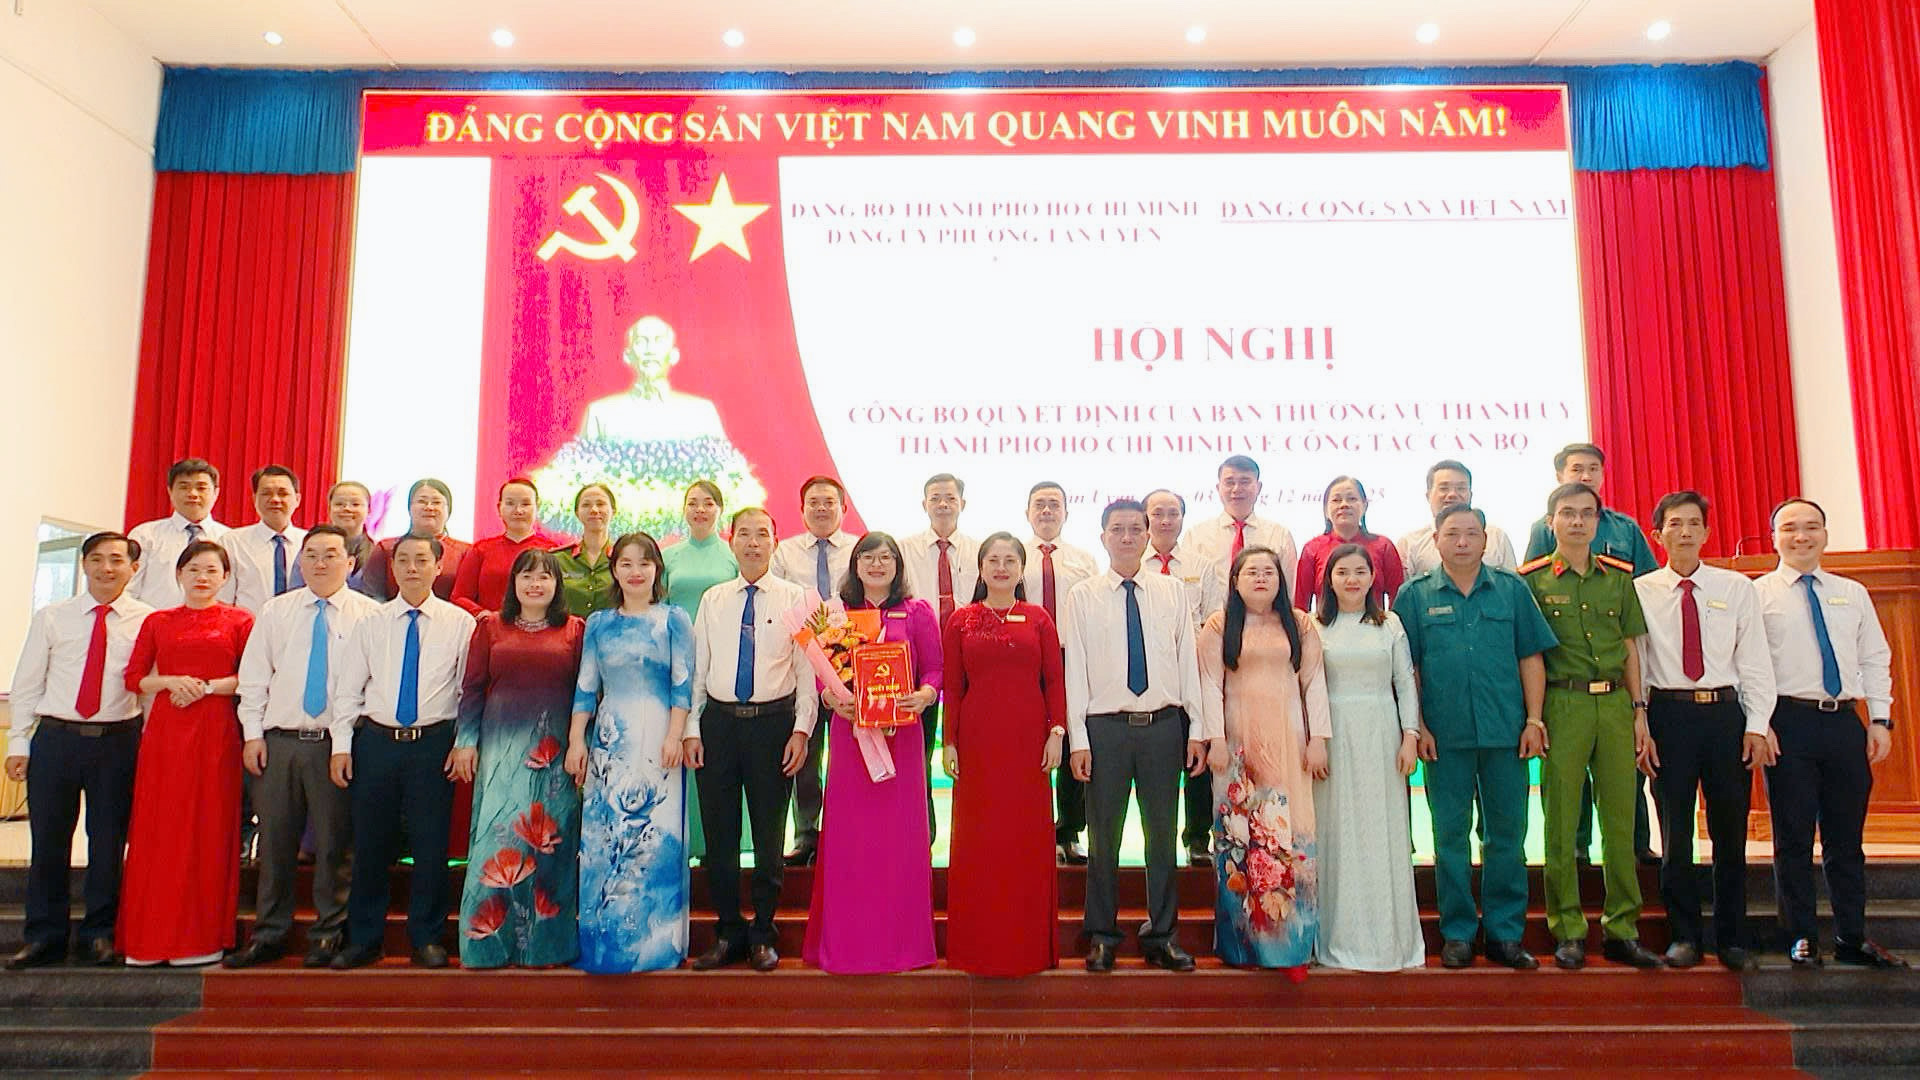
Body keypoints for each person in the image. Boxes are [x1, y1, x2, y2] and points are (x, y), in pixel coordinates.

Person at [1392, 504, 1555, 970]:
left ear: (1486, 540)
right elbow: (1407, 668)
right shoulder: (1414, 595)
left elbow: (1530, 657)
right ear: (1436, 541)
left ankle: (1505, 934)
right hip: (1444, 738)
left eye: (1471, 533)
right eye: (1452, 534)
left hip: (1506, 732)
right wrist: (1418, 725)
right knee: (1449, 837)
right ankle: (1458, 933)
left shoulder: (1512, 589)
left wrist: (1534, 720)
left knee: (1507, 835)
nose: (1462, 542)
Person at [1756, 498, 1907, 968]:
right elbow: (1749, 667)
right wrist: (1759, 723)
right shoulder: (1756, 595)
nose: (1801, 536)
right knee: (1793, 838)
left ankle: (1851, 937)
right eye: (1790, 528)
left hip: (1844, 722)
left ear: (1825, 534)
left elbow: (1874, 657)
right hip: (1788, 723)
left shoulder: (1852, 592)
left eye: (1811, 527)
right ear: (1774, 537)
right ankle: (1801, 936)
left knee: (1846, 839)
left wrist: (1879, 719)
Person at [1521, 482, 1662, 969]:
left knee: (1620, 821)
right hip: (1564, 704)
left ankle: (1623, 928)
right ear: (1551, 523)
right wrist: (1535, 716)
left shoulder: (1618, 578)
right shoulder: (1533, 581)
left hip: (1616, 705)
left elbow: (1629, 647)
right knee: (1561, 821)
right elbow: (1530, 654)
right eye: (1568, 513)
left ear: (1598, 522)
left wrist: (1639, 710)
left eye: (1586, 513)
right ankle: (1568, 929)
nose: (1577, 521)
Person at [226, 525, 380, 970]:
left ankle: (328, 933)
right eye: (310, 555)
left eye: (330, 554)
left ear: (350, 562)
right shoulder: (276, 611)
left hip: (339, 745)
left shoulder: (371, 615)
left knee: (334, 845)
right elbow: (254, 678)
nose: (319, 563)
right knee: (275, 843)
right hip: (279, 743)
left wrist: (347, 742)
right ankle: (269, 933)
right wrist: (252, 735)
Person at [1634, 491, 1777, 971]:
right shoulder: (1640, 591)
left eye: (1694, 523)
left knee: (1729, 832)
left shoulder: (1736, 588)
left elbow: (1753, 659)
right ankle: (1684, 936)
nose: (1686, 532)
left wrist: (1757, 725)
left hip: (1725, 716)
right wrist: (1641, 723)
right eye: (1675, 524)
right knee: (1675, 834)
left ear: (1707, 532)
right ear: (1658, 535)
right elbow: (1637, 662)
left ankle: (1732, 938)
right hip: (1668, 716)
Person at [1065, 498, 1203, 973]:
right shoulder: (1082, 595)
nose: (1127, 537)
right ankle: (1102, 935)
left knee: (1161, 836)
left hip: (1162, 726)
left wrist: (1196, 729)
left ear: (1148, 535)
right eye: (1117, 529)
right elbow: (1075, 670)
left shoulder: (1172, 592)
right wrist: (1079, 739)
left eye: (1135, 529)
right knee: (1103, 837)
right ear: (1102, 537)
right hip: (1106, 730)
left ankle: (1162, 935)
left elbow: (1187, 662)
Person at [5, 532, 154, 970]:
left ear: (134, 568)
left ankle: (99, 935)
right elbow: (28, 682)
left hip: (118, 741)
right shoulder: (53, 616)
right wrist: (19, 742)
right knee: (48, 841)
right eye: (97, 559)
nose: (107, 568)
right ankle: (44, 937)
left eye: (117, 560)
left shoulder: (148, 620)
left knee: (108, 842)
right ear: (83, 564)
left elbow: (149, 690)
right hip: (57, 739)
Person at [329, 533, 477, 969]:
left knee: (431, 846)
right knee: (371, 843)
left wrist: (464, 742)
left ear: (438, 567)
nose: (412, 568)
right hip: (377, 743)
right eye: (403, 561)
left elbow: (467, 691)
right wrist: (341, 746)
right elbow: (348, 690)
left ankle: (427, 937)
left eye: (421, 560)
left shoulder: (460, 624)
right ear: (392, 568)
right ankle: (364, 939)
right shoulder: (370, 622)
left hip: (433, 745)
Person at [685, 508, 818, 972]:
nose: (754, 543)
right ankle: (727, 931)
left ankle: (763, 932)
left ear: (775, 542)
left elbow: (808, 673)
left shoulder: (797, 599)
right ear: (732, 541)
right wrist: (692, 728)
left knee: (768, 834)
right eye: (745, 534)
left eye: (763, 534)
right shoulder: (713, 599)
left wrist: (802, 730)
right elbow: (698, 670)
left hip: (773, 726)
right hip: (719, 726)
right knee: (719, 835)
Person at [803, 532, 941, 973]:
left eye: (885, 558)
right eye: (868, 557)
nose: (877, 565)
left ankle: (903, 945)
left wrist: (925, 694)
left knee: (900, 841)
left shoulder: (917, 612)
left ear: (898, 565)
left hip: (902, 739)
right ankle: (849, 943)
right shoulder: (835, 614)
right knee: (852, 841)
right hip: (852, 738)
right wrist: (831, 697)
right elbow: (822, 673)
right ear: (855, 565)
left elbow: (935, 669)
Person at [117, 541, 255, 965]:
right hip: (166, 733)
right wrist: (171, 681)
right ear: (178, 574)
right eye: (193, 569)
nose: (202, 577)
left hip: (216, 732)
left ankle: (201, 938)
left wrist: (206, 688)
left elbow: (251, 676)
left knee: (209, 827)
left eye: (212, 570)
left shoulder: (241, 621)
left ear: (225, 578)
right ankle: (149, 937)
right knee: (160, 827)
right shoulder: (157, 621)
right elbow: (134, 678)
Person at [449, 548, 585, 969]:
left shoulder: (574, 630)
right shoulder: (490, 626)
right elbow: (472, 688)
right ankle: (488, 947)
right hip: (501, 753)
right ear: (513, 583)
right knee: (498, 841)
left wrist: (582, 747)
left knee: (550, 847)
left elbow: (586, 696)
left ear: (557, 584)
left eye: (545, 577)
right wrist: (465, 741)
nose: (535, 584)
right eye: (526, 576)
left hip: (555, 758)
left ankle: (545, 948)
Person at [568, 532, 695, 973]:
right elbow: (586, 687)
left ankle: (655, 944)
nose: (635, 571)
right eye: (626, 563)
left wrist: (675, 735)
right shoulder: (599, 624)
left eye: (644, 563)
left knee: (653, 836)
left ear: (657, 569)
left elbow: (682, 684)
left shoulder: (673, 619)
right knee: (605, 837)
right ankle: (604, 941)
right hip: (610, 741)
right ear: (614, 570)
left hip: (660, 739)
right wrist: (576, 740)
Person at [942, 533, 1066, 977]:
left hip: (1028, 744)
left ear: (1020, 569)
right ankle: (977, 947)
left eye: (1009, 560)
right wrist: (949, 741)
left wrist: (1056, 732)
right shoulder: (961, 620)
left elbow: (1054, 680)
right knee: (980, 841)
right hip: (978, 744)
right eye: (992, 560)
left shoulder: (1038, 618)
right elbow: (953, 686)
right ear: (980, 568)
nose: (1000, 567)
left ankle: (1026, 947)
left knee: (1024, 842)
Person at [1196, 546, 1324, 974]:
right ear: (1235, 581)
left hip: (1289, 739)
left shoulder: (1300, 623)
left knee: (1289, 836)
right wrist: (1214, 739)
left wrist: (1319, 739)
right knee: (1240, 841)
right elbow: (1209, 685)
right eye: (1252, 572)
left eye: (1269, 571)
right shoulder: (1219, 625)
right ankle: (1241, 946)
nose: (1261, 578)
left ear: (1280, 579)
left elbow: (1314, 682)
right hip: (1238, 745)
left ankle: (1289, 947)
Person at [1313, 544, 1425, 971]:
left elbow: (1405, 682)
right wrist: (1315, 739)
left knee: (1381, 830)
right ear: (1329, 579)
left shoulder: (1389, 624)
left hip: (1381, 732)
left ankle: (1387, 940)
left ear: (1373, 577)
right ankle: (1339, 936)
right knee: (1337, 830)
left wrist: (1410, 735)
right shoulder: (1314, 626)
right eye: (1342, 572)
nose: (1352, 580)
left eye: (1360, 571)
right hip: (1333, 734)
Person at [770, 475, 855, 867]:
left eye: (829, 502)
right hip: (800, 668)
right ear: (802, 510)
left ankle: (847, 833)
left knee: (849, 757)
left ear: (843, 508)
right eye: (814, 503)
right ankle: (806, 835)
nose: (821, 508)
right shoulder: (784, 553)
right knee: (805, 756)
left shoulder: (859, 549)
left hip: (850, 669)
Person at [1143, 488, 1225, 866]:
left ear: (1182, 518)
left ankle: (1196, 838)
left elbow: (1213, 619)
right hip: (1148, 680)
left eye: (1172, 513)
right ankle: (1156, 843)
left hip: (1192, 674)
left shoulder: (1201, 565)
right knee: (1155, 768)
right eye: (1157, 513)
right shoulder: (1131, 564)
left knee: (1197, 760)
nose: (1165, 520)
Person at [660, 480, 739, 865]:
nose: (700, 510)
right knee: (679, 743)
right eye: (693, 503)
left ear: (720, 510)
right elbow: (659, 606)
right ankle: (681, 840)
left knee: (716, 751)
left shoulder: (732, 554)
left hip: (725, 663)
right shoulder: (668, 556)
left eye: (708, 503)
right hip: (677, 662)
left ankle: (717, 845)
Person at [1024, 480, 1102, 864]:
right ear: (1027, 513)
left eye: (1054, 504)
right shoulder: (1014, 556)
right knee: (1028, 743)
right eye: (1039, 504)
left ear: (1066, 513)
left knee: (1072, 740)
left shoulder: (1084, 560)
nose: (1047, 511)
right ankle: (1033, 829)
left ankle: (1069, 832)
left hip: (1072, 656)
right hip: (1026, 658)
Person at [899, 473, 978, 845]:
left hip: (972, 663)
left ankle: (973, 834)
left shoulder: (981, 550)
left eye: (950, 497)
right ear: (924, 504)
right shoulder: (903, 549)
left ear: (963, 503)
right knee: (918, 755)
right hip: (919, 666)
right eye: (935, 497)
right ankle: (923, 835)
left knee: (974, 752)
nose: (943, 504)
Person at [1182, 454, 1300, 598]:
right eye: (1229, 482)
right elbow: (1188, 591)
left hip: (1265, 612)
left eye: (1245, 482)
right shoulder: (1196, 536)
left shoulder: (1279, 535)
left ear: (1259, 487)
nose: (1237, 489)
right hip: (1211, 612)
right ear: (1218, 488)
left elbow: (1289, 592)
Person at [452, 477, 569, 615]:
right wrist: (482, 614)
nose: (518, 510)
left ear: (537, 507)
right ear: (499, 508)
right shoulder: (481, 550)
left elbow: (562, 598)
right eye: (510, 503)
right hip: (490, 626)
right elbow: (459, 597)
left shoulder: (553, 551)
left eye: (525, 504)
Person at [127, 457, 230, 609]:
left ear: (216, 493)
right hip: (155, 621)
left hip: (214, 622)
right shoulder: (145, 535)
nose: (193, 494)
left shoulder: (230, 539)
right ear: (170, 491)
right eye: (184, 487)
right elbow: (129, 590)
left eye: (201, 488)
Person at [1294, 476, 1405, 614]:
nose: (1344, 505)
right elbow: (1300, 607)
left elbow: (1399, 602)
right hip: (1325, 627)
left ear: (1364, 506)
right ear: (1326, 510)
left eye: (1352, 499)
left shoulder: (1384, 546)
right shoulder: (1312, 549)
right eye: (1336, 500)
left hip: (1374, 626)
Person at [1396, 460, 1519, 578]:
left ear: (1470, 495)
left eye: (1461, 488)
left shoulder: (1496, 537)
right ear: (1428, 496)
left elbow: (1512, 587)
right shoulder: (1410, 543)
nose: (1452, 494)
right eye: (1444, 488)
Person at [360, 478, 471, 602]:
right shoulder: (385, 548)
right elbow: (372, 595)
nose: (429, 507)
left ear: (448, 509)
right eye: (422, 501)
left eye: (436, 502)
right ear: (409, 508)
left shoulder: (466, 552)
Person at [220, 465, 308, 615]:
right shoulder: (232, 542)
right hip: (250, 627)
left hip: (299, 626)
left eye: (283, 493)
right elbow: (223, 599)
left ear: (297, 499)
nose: (275, 499)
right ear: (254, 499)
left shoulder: (309, 542)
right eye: (266, 493)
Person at [554, 483, 617, 617]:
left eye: (600, 504)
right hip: (567, 630)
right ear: (577, 513)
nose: (594, 510)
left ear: (613, 511)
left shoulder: (623, 558)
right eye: (586, 505)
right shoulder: (558, 559)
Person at [327, 481, 375, 590]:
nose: (347, 508)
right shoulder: (312, 547)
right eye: (339, 504)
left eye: (355, 504)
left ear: (369, 510)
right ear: (329, 509)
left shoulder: (378, 552)